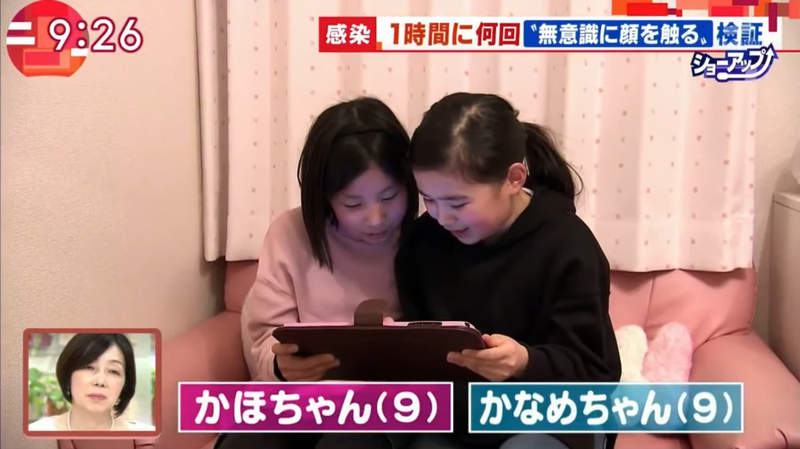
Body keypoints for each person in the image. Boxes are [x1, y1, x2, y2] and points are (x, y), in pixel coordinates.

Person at [396, 93, 621, 449]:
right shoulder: (422, 242)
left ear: (514, 178)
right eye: (429, 200)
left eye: (457, 202)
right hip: (459, 415)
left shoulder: (568, 245)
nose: (441, 217)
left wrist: (524, 362)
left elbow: (595, 374)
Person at [216, 97, 418, 449]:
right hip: (297, 400)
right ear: (324, 197)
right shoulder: (290, 233)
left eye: (389, 197)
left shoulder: (427, 237)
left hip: (383, 407)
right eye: (353, 204)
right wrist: (281, 367)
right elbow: (264, 339)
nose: (376, 218)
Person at [28, 333, 153, 431]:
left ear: (125, 384)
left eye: (113, 371)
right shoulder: (37, 433)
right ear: (68, 374)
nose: (100, 381)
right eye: (88, 367)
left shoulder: (148, 437)